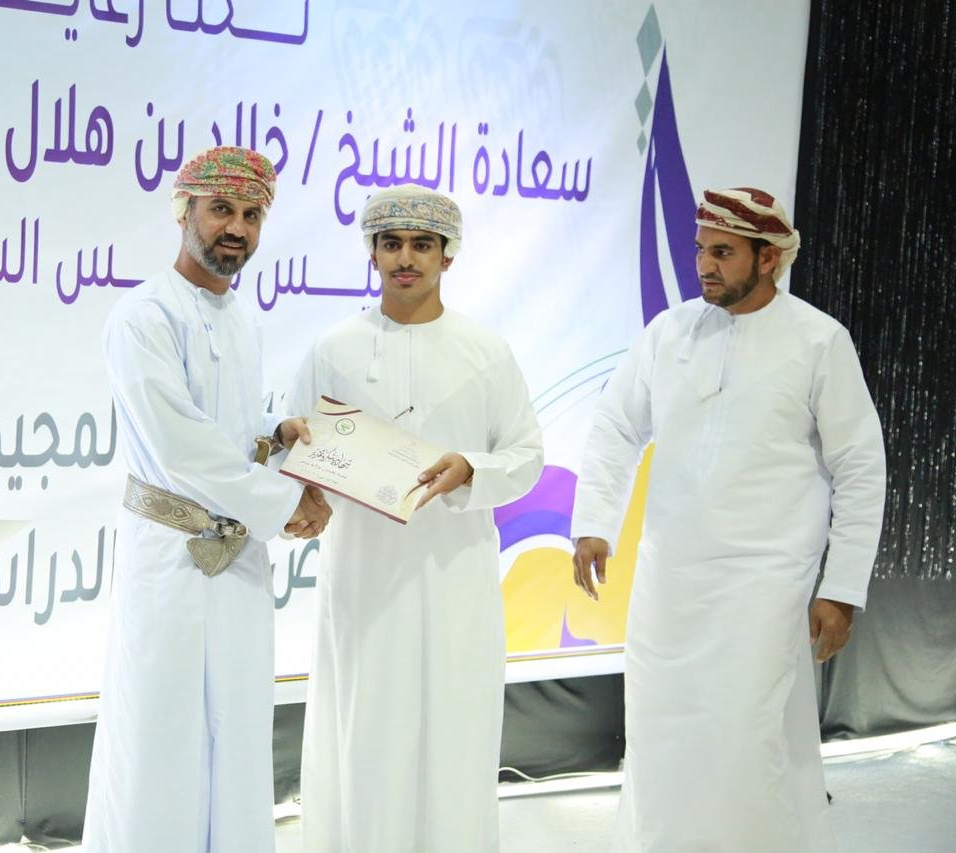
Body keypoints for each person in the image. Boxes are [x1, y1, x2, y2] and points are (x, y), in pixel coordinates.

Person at [571, 187, 887, 851]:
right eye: (699, 250)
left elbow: (861, 467)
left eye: (723, 252)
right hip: (670, 579)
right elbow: (616, 426)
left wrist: (841, 589)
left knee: (747, 739)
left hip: (765, 580)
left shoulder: (818, 341)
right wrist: (596, 521)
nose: (704, 266)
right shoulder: (669, 333)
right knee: (659, 734)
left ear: (769, 258)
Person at [82, 145, 331, 853]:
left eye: (252, 215)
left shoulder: (242, 317)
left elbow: (227, 431)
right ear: (183, 211)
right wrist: (284, 504)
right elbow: (180, 445)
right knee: (161, 737)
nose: (237, 229)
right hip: (170, 557)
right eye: (222, 209)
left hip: (239, 558)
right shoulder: (142, 316)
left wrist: (276, 433)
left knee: (239, 734)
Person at [288, 185, 545, 852]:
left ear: (446, 257)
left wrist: (471, 469)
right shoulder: (332, 349)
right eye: (392, 244)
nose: (406, 258)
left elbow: (526, 457)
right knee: (364, 730)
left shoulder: (486, 351)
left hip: (454, 577)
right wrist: (305, 499)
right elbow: (297, 446)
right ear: (372, 253)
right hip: (363, 577)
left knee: (453, 734)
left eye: (422, 245)